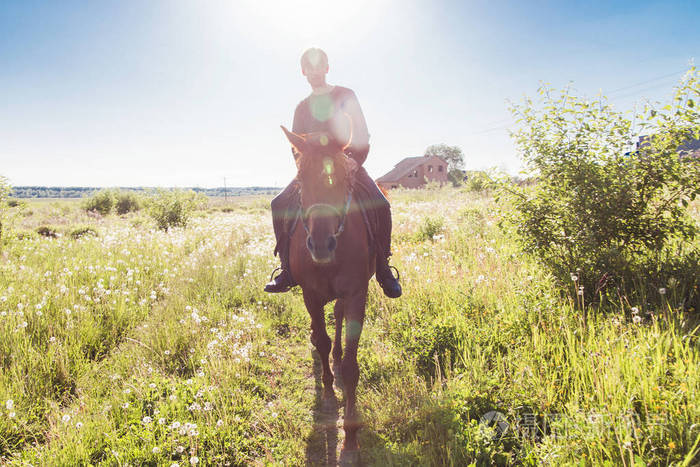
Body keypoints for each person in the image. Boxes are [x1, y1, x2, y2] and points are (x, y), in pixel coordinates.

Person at [265, 48, 402, 298]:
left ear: (327, 68)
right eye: (310, 67)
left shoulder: (346, 95)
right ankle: (286, 269)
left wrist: (355, 162)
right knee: (278, 204)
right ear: (303, 71)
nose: (315, 71)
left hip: (348, 165)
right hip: (313, 171)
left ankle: (383, 268)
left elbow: (362, 133)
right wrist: (305, 170)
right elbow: (296, 147)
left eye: (320, 66)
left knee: (380, 204)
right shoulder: (301, 108)